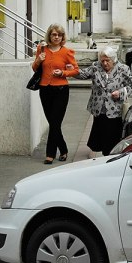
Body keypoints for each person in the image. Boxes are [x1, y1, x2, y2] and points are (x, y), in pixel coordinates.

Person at [33, 24, 79, 164]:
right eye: (54, 34)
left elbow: (75, 70)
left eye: (59, 35)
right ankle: (63, 149)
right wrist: (39, 60)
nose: (56, 37)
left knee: (55, 122)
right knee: (53, 122)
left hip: (61, 90)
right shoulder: (42, 49)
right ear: (49, 36)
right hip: (45, 89)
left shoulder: (66, 52)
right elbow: (35, 69)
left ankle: (50, 154)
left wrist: (63, 73)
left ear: (62, 37)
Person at [76, 46, 132, 157]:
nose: (105, 63)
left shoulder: (123, 69)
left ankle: (111, 154)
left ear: (113, 59)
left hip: (115, 108)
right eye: (103, 60)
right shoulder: (96, 67)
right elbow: (82, 74)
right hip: (99, 108)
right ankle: (103, 153)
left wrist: (120, 93)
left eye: (108, 60)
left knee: (112, 133)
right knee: (101, 131)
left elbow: (131, 86)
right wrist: (71, 69)